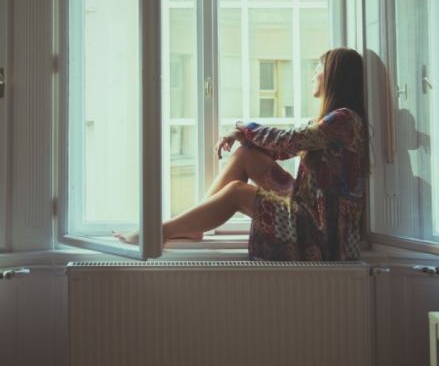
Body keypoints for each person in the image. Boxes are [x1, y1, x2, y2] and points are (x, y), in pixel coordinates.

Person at [114, 47, 369, 261]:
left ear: (335, 76)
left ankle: (159, 232)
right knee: (247, 153)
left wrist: (242, 129)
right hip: (307, 208)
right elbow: (283, 147)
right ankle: (194, 225)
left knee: (236, 191)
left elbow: (288, 141)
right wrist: (245, 138)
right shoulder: (335, 121)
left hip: (318, 234)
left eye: (319, 68)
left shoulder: (344, 120)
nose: (313, 74)